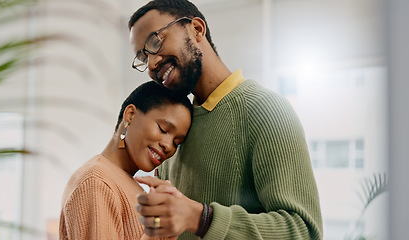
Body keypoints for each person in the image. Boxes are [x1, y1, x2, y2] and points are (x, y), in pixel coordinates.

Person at [128, 0, 323, 239]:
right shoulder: (176, 132)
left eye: (155, 41)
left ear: (197, 29)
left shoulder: (266, 110)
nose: (151, 64)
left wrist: (201, 218)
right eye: (142, 56)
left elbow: (304, 230)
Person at [58, 81, 193, 240]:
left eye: (176, 142)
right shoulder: (96, 181)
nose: (168, 145)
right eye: (163, 129)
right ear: (130, 115)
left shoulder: (122, 182)